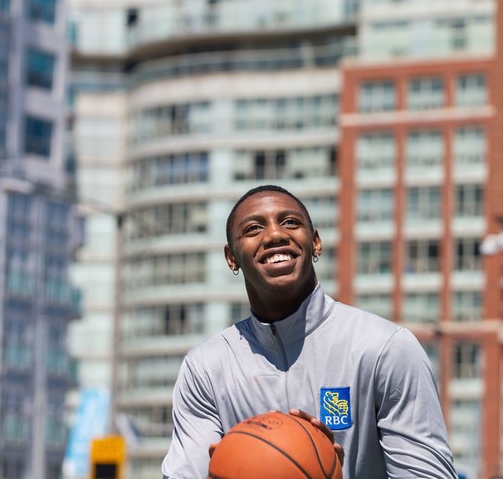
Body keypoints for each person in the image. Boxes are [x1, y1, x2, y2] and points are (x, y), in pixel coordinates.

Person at [162, 184, 458, 479]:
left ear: (315, 242)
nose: (275, 235)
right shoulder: (206, 366)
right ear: (232, 258)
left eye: (290, 222)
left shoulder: (385, 347)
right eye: (253, 228)